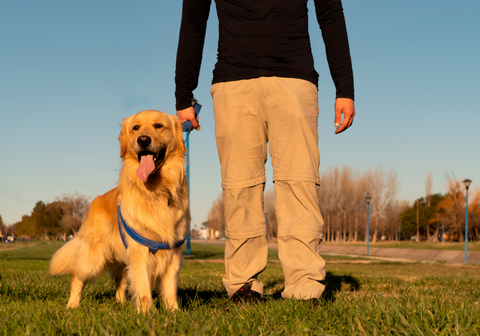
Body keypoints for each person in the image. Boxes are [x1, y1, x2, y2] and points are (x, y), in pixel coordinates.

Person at [175, 0, 355, 302]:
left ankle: (305, 285)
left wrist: (345, 88)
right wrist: (184, 94)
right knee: (239, 187)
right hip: (233, 83)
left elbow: (330, 13)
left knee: (300, 183)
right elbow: (194, 19)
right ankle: (243, 284)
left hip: (295, 80)